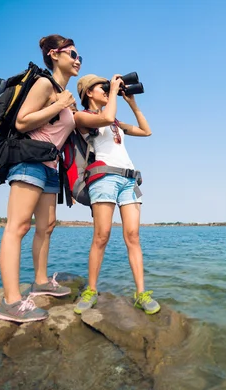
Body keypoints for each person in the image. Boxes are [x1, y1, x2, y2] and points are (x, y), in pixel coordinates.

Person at [0, 35, 81, 323]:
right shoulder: (44, 84)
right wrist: (60, 105)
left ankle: (41, 281)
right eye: (72, 53)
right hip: (29, 161)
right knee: (18, 227)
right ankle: (10, 302)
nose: (77, 59)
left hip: (51, 167)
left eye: (79, 55)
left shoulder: (65, 96)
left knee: (46, 226)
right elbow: (22, 121)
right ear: (54, 55)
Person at [73, 73, 160, 315]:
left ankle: (141, 293)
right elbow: (107, 115)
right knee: (102, 235)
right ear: (88, 92)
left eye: (106, 87)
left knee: (133, 236)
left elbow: (146, 131)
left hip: (128, 179)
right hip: (104, 179)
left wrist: (131, 103)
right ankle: (91, 290)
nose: (105, 89)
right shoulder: (82, 117)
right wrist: (113, 91)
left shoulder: (114, 123)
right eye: (100, 87)